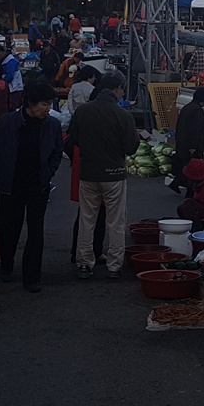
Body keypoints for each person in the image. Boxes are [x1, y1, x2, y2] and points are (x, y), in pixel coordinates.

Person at [0, 80, 64, 292]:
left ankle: (32, 277)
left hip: (38, 185)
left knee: (36, 232)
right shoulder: (7, 122)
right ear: (30, 103)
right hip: (10, 185)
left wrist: (49, 172)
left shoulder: (52, 125)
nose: (47, 108)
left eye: (49, 104)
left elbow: (57, 151)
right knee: (8, 230)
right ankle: (6, 266)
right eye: (43, 104)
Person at [66, 70, 140, 279]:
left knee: (87, 219)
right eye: (122, 90)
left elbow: (73, 139)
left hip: (88, 172)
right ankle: (114, 265)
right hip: (114, 174)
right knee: (116, 221)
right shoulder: (122, 114)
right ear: (116, 89)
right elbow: (131, 147)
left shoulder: (83, 111)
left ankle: (84, 263)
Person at [171, 86, 204, 192]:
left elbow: (179, 125)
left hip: (182, 142)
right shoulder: (198, 111)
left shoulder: (186, 107)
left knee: (185, 166)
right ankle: (190, 191)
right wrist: (193, 146)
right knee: (193, 169)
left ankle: (176, 183)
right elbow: (195, 130)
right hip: (191, 145)